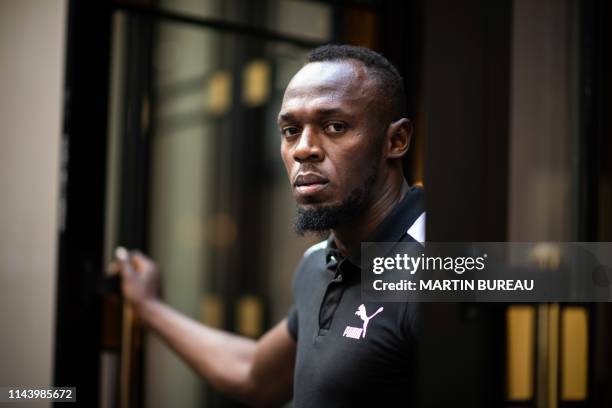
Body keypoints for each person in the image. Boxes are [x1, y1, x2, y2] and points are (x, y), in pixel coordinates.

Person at [111, 44, 425, 407]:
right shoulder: (318, 263)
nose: (303, 149)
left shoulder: (444, 266)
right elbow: (253, 375)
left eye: (335, 126)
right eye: (291, 130)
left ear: (396, 141)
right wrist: (148, 307)